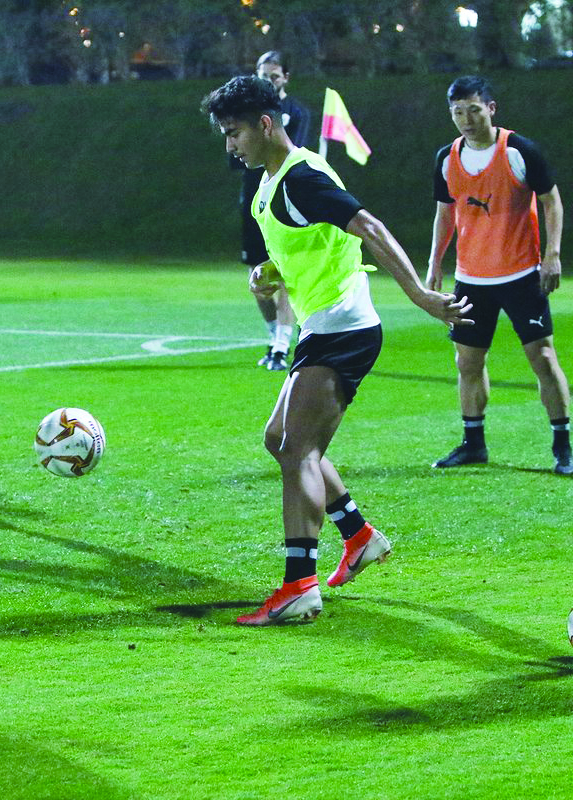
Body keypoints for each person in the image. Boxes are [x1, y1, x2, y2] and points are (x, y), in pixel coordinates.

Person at [201, 76, 471, 625]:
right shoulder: (270, 184)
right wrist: (269, 272)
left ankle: (299, 586)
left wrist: (419, 293)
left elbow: (366, 225)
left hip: (343, 328)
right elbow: (316, 244)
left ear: (265, 124)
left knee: (298, 448)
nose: (231, 146)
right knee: (280, 439)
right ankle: (360, 535)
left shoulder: (300, 176)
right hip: (323, 327)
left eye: (235, 134)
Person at [425, 75, 569, 474]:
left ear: (491, 108)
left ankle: (563, 445)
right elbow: (445, 213)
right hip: (471, 279)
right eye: (457, 112)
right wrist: (435, 264)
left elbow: (551, 201)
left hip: (522, 274)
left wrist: (552, 255)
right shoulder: (446, 158)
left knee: (542, 357)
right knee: (467, 362)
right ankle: (474, 444)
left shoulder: (519, 151)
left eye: (473, 109)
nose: (466, 119)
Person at [234, 51, 312, 372]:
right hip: (254, 201)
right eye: (262, 74)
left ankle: (281, 347)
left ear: (285, 78)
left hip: (285, 200)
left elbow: (295, 153)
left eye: (274, 75)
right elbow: (234, 158)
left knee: (282, 275)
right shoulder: (246, 116)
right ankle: (274, 337)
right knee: (257, 275)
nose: (268, 80)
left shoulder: (296, 113)